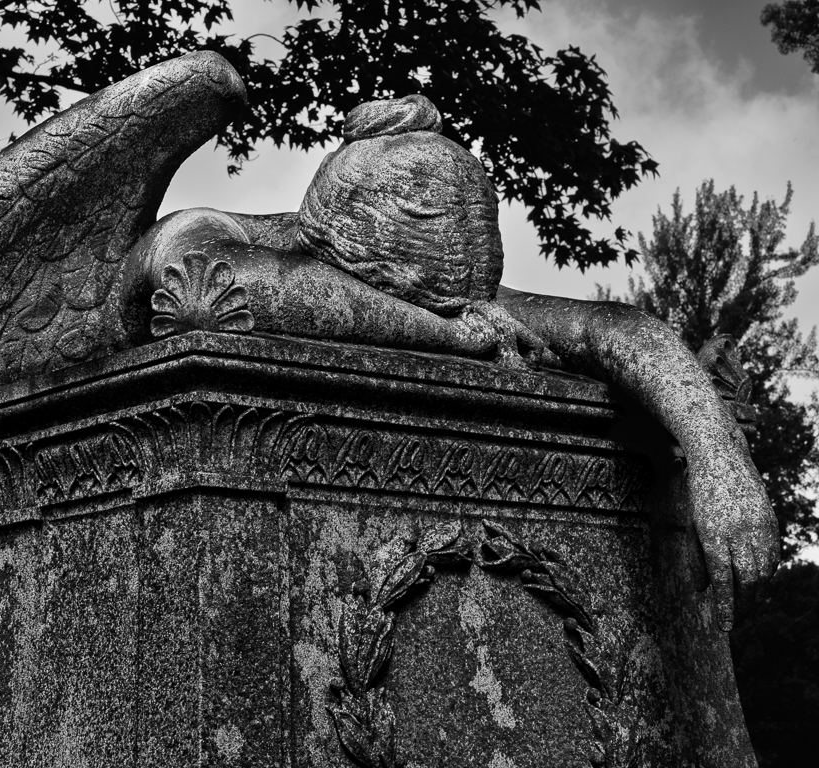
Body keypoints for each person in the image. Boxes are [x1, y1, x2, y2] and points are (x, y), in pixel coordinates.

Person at [118, 93, 779, 631]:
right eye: (427, 217)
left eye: (480, 221)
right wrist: (449, 335)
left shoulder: (473, 301)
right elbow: (209, 290)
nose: (467, 286)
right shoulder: (210, 233)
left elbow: (620, 330)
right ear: (349, 232)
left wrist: (719, 460)